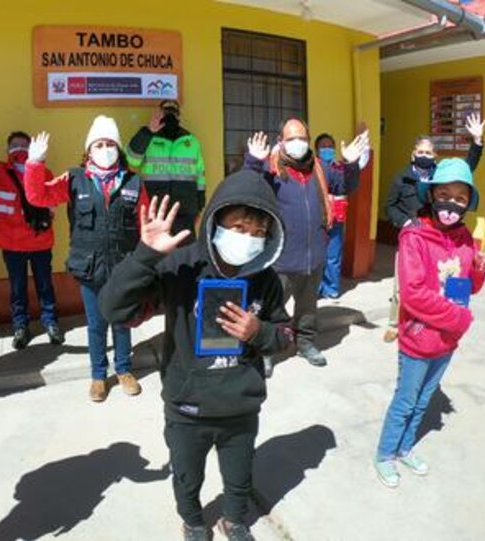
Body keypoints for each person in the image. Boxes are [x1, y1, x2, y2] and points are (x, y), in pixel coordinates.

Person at [99, 170, 292, 541]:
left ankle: (234, 520)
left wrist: (260, 332)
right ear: (217, 221)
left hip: (241, 407)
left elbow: (286, 336)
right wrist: (145, 257)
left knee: (240, 477)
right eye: (238, 227)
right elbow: (113, 309)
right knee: (187, 477)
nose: (247, 239)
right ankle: (192, 521)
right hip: (187, 409)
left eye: (258, 233)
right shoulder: (181, 265)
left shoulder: (266, 279)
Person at [374, 158, 485, 489]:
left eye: (460, 198)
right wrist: (460, 319)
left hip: (448, 341)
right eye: (444, 194)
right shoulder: (414, 236)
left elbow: (469, 288)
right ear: (431, 194)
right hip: (418, 340)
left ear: (468, 203)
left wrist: (479, 268)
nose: (451, 203)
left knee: (425, 399)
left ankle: (406, 447)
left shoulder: (466, 237)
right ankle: (385, 454)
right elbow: (413, 295)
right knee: (406, 399)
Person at [23, 116, 147, 402]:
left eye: (110, 144)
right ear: (89, 151)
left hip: (123, 267)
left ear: (118, 149)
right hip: (89, 267)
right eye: (99, 144)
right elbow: (37, 196)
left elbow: (145, 224)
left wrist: (144, 264)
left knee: (122, 321)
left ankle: (125, 370)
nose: (105, 149)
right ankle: (98, 376)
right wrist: (34, 165)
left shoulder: (134, 182)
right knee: (96, 324)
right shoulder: (73, 178)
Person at [243, 119, 369, 367]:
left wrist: (352, 164)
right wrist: (253, 162)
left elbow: (345, 185)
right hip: (281, 258)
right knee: (271, 308)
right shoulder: (270, 169)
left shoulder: (320, 168)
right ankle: (267, 351)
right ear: (281, 142)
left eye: (301, 138)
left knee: (307, 309)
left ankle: (305, 343)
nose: (297, 143)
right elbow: (248, 188)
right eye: (291, 139)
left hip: (314, 257)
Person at [0, 113, 63, 350]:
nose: (19, 149)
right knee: (17, 288)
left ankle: (51, 323)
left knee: (45, 285)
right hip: (12, 245)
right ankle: (20, 327)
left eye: (23, 145)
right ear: (7, 149)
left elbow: (53, 205)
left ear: (31, 147)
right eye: (14, 145)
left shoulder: (43, 172)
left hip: (39, 242)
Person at [383, 113, 485, 343]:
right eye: (420, 152)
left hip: (439, 239)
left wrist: (477, 141)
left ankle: (433, 323)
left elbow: (466, 168)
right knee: (403, 287)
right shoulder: (401, 178)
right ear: (413, 154)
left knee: (436, 283)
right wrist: (406, 222)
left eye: (428, 152)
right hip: (412, 238)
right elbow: (389, 207)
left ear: (435, 155)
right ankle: (396, 323)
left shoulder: (441, 176)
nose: (424, 155)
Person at [127, 99, 206, 240]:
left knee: (185, 254)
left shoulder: (191, 141)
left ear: (179, 116)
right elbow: (132, 159)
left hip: (185, 207)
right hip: (155, 207)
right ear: (160, 114)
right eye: (166, 113)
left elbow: (200, 172)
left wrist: (200, 196)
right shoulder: (149, 137)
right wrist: (148, 132)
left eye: (173, 113)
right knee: (157, 254)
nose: (170, 116)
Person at [314, 131, 370, 299]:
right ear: (316, 150)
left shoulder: (340, 167)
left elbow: (352, 180)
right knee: (317, 255)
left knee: (333, 255)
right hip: (317, 219)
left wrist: (354, 159)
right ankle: (315, 289)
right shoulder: (311, 167)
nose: (327, 149)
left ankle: (331, 289)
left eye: (330, 146)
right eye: (323, 146)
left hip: (337, 219)